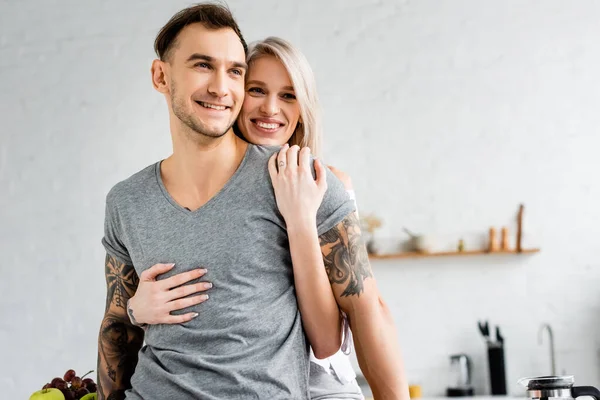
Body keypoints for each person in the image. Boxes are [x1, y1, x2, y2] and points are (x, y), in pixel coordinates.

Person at [97, 4, 408, 400]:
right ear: (161, 76)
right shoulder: (126, 200)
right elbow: (116, 326)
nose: (220, 87)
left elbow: (366, 314)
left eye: (235, 72)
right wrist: (135, 314)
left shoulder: (303, 182)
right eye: (202, 65)